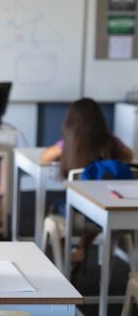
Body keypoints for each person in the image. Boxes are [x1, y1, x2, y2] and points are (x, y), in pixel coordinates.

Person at [41, 97, 134, 268]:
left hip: (79, 213)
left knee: (55, 208)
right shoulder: (112, 141)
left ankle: (67, 256)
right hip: (108, 209)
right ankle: (81, 247)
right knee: (94, 211)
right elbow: (129, 156)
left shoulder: (68, 143)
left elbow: (45, 157)